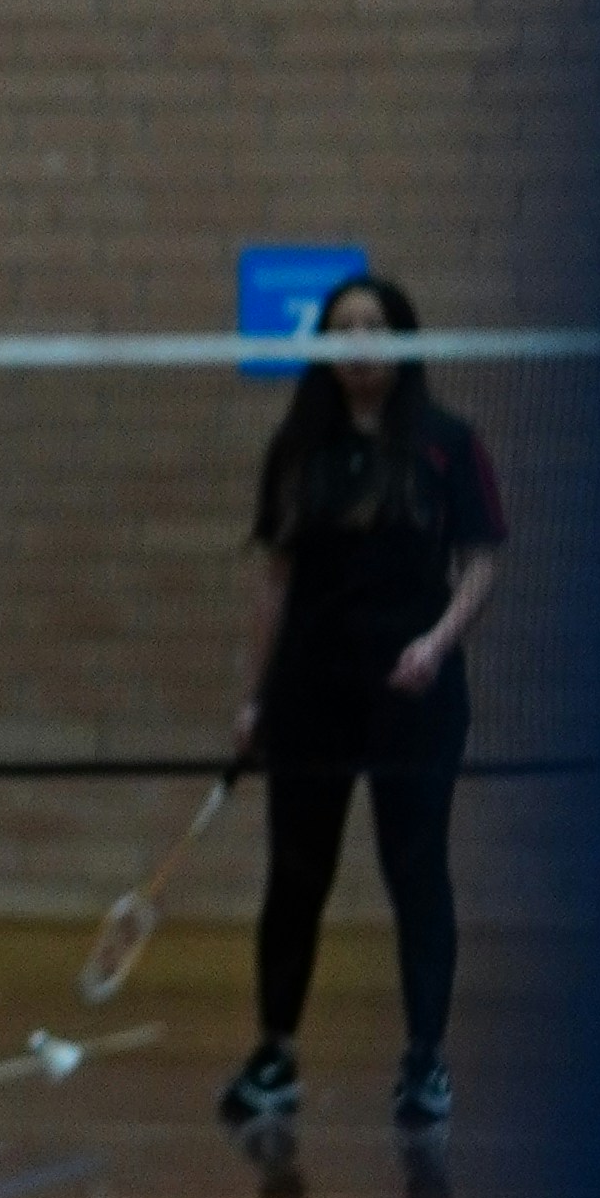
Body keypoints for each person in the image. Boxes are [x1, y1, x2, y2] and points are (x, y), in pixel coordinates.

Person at [217, 269, 504, 1138]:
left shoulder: (450, 443)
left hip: (415, 697)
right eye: (342, 328)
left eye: (374, 325)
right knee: (295, 875)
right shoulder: (297, 449)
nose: (358, 342)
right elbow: (275, 579)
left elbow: (485, 557)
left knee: (415, 873)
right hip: (312, 696)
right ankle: (275, 1054)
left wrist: (438, 640)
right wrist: (254, 698)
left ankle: (424, 1061)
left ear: (403, 338)